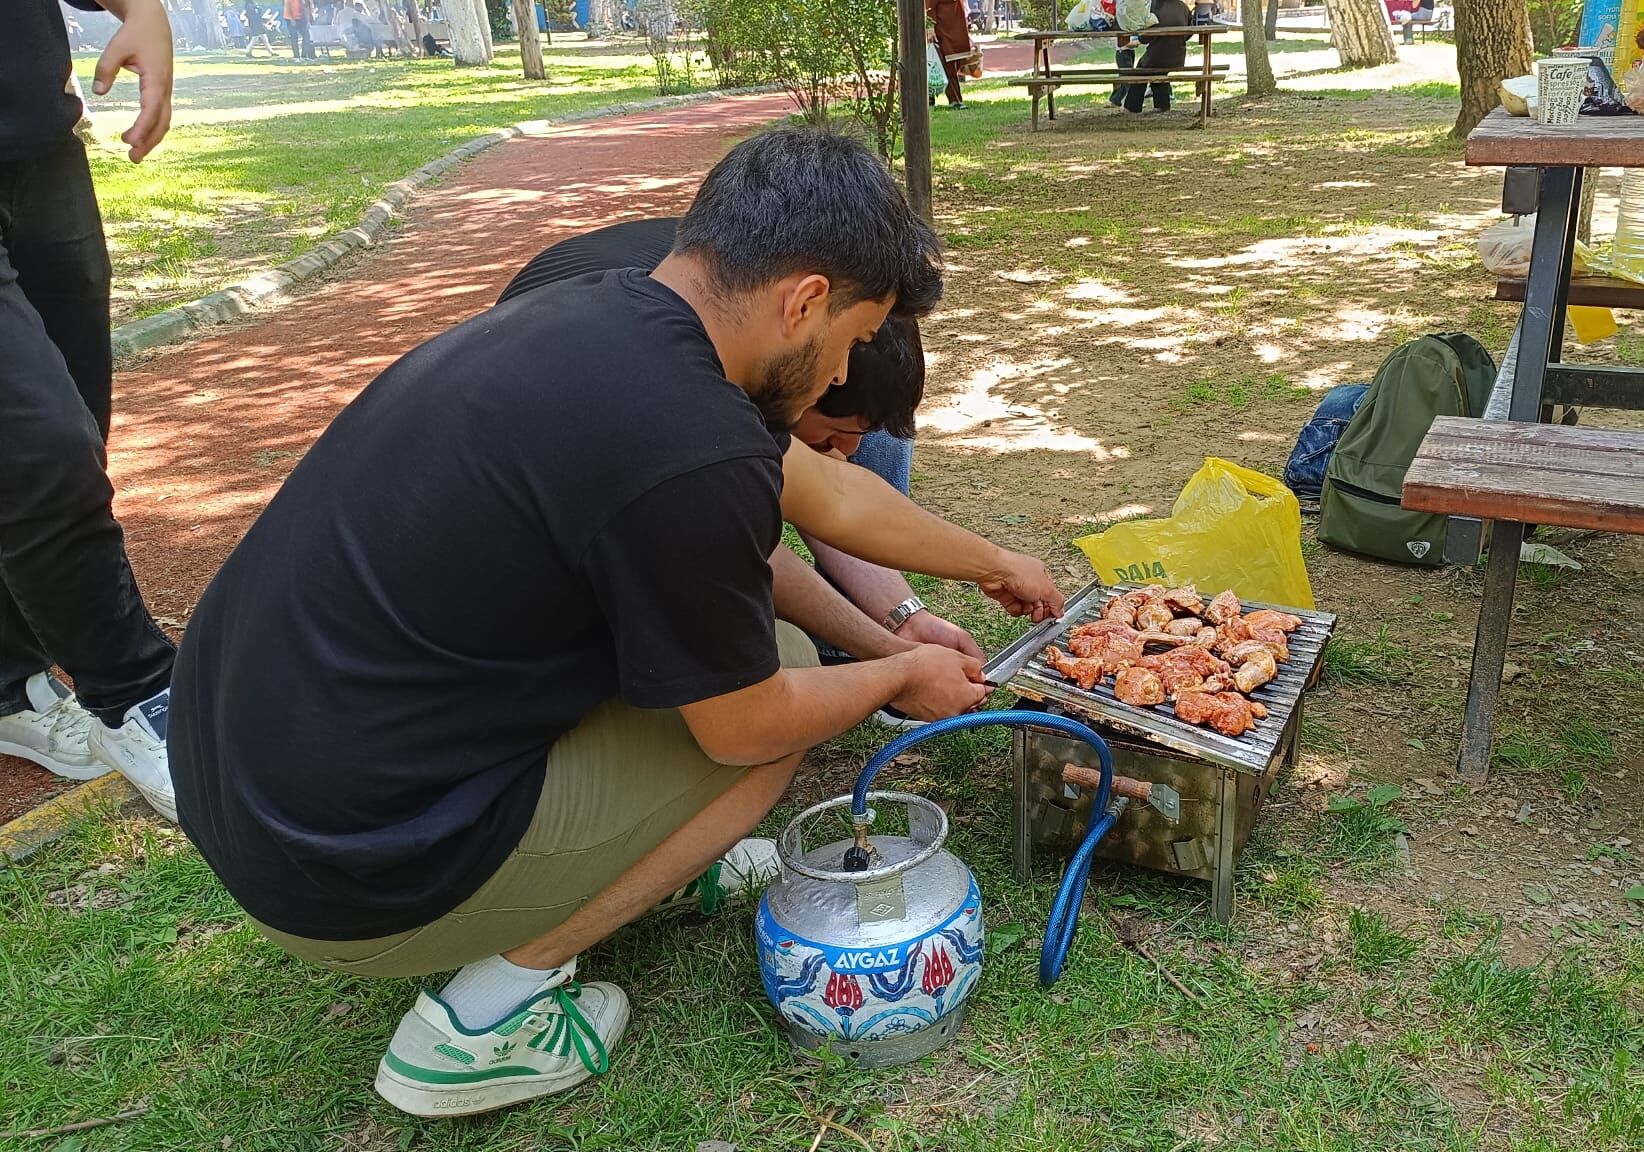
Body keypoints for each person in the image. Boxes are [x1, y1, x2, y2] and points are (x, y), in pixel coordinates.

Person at [168, 128, 1063, 1118]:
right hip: (343, 873)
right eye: (855, 340)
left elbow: (826, 502)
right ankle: (478, 1026)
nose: (844, 369)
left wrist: (991, 570)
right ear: (805, 300)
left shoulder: (610, 313)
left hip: (245, 783)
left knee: (759, 652)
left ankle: (634, 857)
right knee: (775, 710)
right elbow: (746, 724)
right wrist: (894, 679)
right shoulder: (691, 439)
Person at [496, 219, 978, 671]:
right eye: (834, 434)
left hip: (593, 333)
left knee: (879, 438)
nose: (845, 453)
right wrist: (889, 656)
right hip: (548, 504)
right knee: (782, 652)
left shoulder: (759, 305)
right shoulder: (692, 395)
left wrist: (904, 618)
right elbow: (750, 548)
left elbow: (831, 491)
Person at [0, 0, 180, 821]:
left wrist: (142, 9)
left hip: (41, 143)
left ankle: (10, 686)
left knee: (73, 420)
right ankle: (139, 695)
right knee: (41, 446)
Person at [1120, 0, 1190, 115]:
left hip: (1158, 55)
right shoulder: (1183, 7)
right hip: (1178, 55)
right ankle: (1162, 105)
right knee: (1158, 71)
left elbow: (1148, 32)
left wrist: (1140, 39)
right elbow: (1189, 30)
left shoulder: (1156, 5)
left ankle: (1132, 107)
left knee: (1141, 71)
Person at [928, 0, 971, 109]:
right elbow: (929, 7)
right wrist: (930, 28)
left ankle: (931, 96)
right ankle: (954, 99)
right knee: (947, 64)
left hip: (956, 26)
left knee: (954, 62)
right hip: (942, 29)